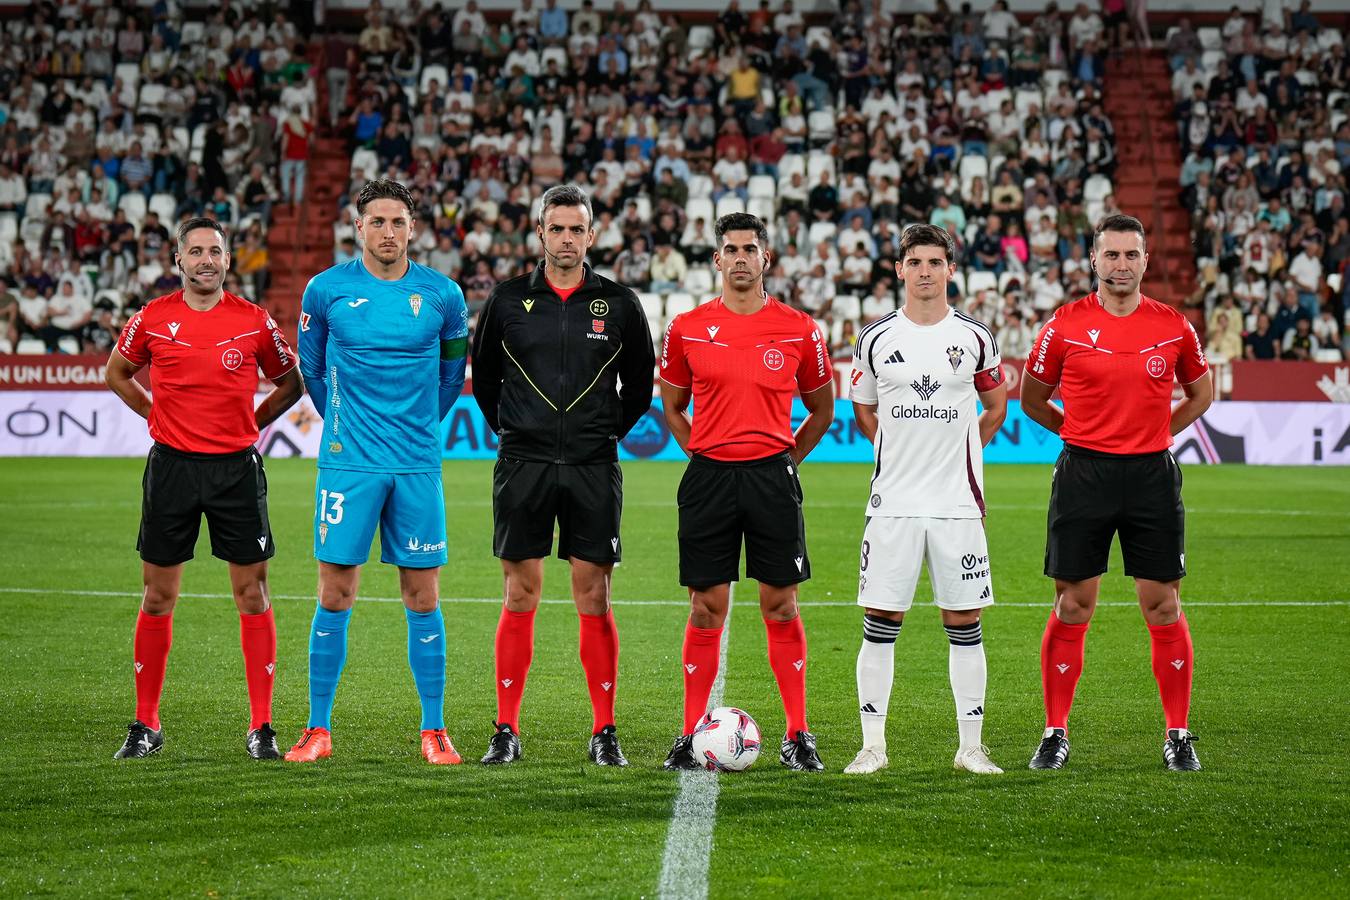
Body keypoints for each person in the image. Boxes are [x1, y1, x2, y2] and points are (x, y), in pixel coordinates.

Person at [105, 217, 304, 760]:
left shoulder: (254, 321)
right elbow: (117, 372)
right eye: (194, 252)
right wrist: (154, 415)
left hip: (235, 469)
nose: (205, 260)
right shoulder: (152, 317)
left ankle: (261, 726)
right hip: (171, 468)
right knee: (158, 595)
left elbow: (292, 382)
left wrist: (253, 422)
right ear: (178, 260)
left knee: (252, 594)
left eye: (214, 251)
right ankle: (146, 724)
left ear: (228, 259)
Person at [286, 179, 470, 765]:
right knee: (335, 591)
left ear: (413, 228)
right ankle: (318, 729)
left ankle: (434, 729)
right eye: (377, 222)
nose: (388, 232)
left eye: (398, 222)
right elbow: (311, 374)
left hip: (416, 463)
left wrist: (416, 428)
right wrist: (346, 426)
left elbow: (450, 379)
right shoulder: (326, 290)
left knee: (422, 593)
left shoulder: (442, 295)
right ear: (357, 225)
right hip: (349, 463)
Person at [470, 184, 655, 766]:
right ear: (540, 233)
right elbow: (486, 384)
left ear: (592, 236)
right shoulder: (505, 301)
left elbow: (641, 389)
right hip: (522, 466)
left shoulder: (620, 304)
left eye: (577, 229)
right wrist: (519, 433)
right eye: (557, 229)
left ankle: (604, 731)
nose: (567, 239)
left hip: (592, 468)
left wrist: (599, 436)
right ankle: (506, 729)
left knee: (594, 596)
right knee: (519, 593)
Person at [1021, 214, 1213, 772]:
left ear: (1146, 261)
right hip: (1084, 474)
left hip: (1151, 476)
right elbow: (1034, 399)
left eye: (1131, 255)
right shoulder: (1064, 325)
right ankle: (1055, 730)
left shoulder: (1174, 326)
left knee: (1162, 604)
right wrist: (1078, 434)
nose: (1121, 265)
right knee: (1073, 603)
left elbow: (1201, 395)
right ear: (1094, 261)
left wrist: (1156, 433)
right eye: (1112, 255)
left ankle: (1177, 733)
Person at [658, 212, 836, 772]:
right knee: (706, 607)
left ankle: (798, 733)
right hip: (709, 478)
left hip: (771, 478)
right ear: (716, 260)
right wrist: (703, 452)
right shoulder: (686, 327)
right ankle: (690, 733)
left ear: (766, 259)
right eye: (730, 249)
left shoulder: (799, 328)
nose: (740, 258)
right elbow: (672, 405)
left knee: (779, 603)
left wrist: (784, 460)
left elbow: (822, 409)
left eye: (749, 249)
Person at [842, 223, 1008, 776]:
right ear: (900, 270)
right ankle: (872, 746)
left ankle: (971, 747)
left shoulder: (977, 338)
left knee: (964, 619)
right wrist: (895, 447)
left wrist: (965, 453)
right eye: (915, 262)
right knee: (881, 617)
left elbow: (996, 406)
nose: (925, 272)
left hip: (957, 504)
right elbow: (864, 408)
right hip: (893, 504)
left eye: (936, 262)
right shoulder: (875, 338)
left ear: (950, 270)